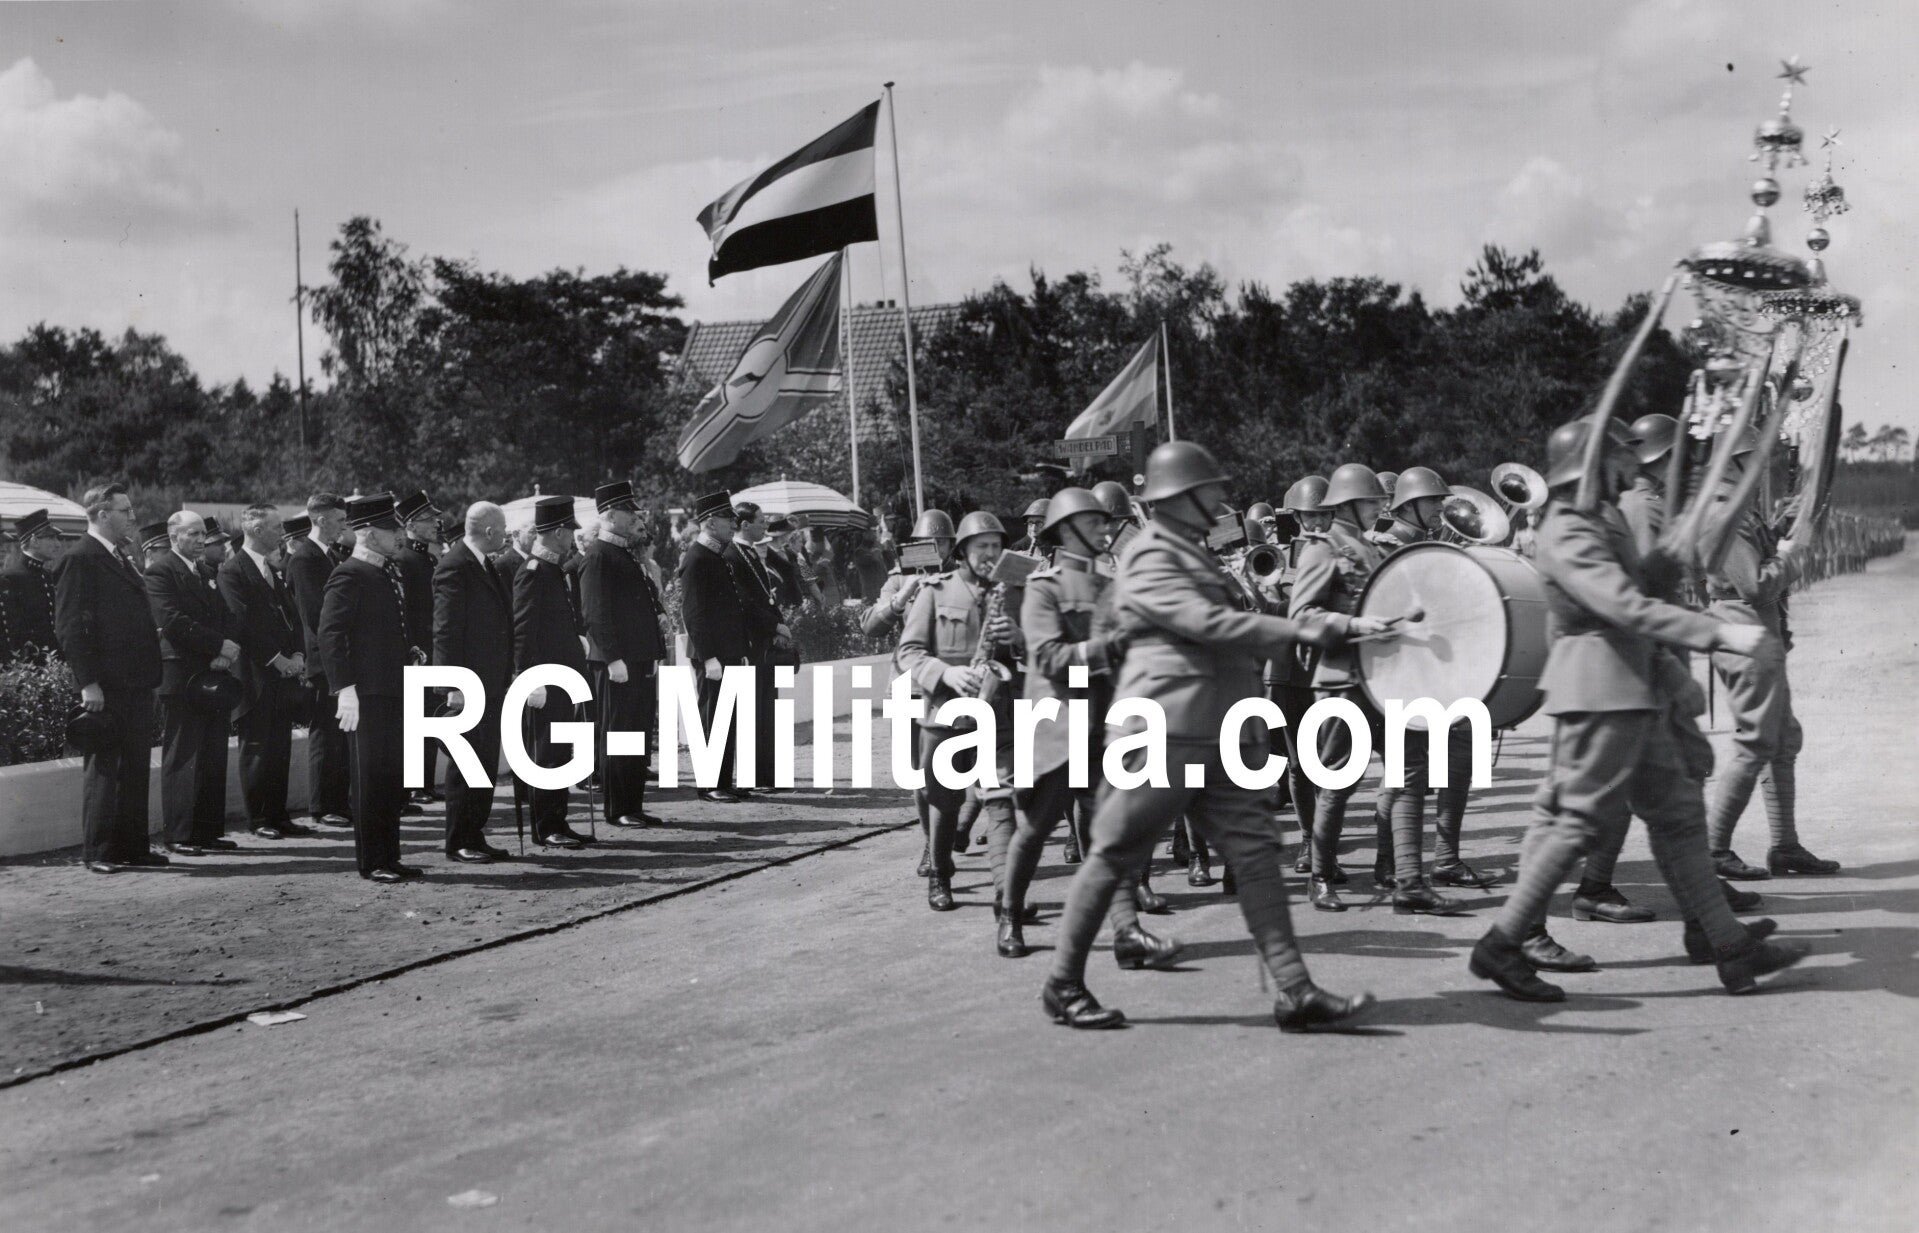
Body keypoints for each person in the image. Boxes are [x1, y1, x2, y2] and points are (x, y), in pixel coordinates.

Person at [1040, 442, 1389, 1031]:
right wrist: (1307, 629)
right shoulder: (1150, 555)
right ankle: (1063, 983)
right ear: (1180, 498)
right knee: (1114, 854)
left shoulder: (1194, 555)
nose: (1221, 501)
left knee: (1255, 857)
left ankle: (1295, 992)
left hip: (1215, 734)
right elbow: (1205, 623)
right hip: (1161, 732)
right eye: (1209, 491)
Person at [1468, 419, 1805, 1001]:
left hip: (1632, 689)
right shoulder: (1565, 528)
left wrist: (1674, 564)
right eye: (1620, 458)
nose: (1631, 467)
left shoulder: (1600, 519)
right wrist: (1717, 634)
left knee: (1678, 816)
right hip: (1597, 692)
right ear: (1593, 465)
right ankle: (1501, 945)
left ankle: (1729, 947)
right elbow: (1621, 606)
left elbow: (1641, 588)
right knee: (1576, 822)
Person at [1000, 487, 1172, 961]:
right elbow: (1048, 657)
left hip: (1103, 726)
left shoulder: (1108, 586)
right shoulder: (1043, 587)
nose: (1105, 530)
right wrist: (1108, 648)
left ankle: (1126, 932)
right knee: (1035, 830)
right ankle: (1010, 913)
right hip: (1058, 727)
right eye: (1095, 522)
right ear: (1069, 529)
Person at [1293, 463, 1457, 914]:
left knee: (1408, 773)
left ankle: (1409, 880)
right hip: (1343, 679)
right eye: (1371, 502)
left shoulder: (1374, 548)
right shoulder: (1322, 549)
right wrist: (1355, 624)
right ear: (1347, 504)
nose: (1379, 508)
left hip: (1388, 679)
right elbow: (1301, 616)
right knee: (1338, 780)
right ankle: (1320, 877)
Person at [1704, 430, 1840, 880]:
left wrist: (1781, 532)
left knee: (1780, 738)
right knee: (1757, 742)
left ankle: (1785, 845)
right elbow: (1754, 584)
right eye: (1755, 460)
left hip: (1757, 631)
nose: (1763, 467)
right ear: (1735, 463)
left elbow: (1757, 560)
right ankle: (1714, 848)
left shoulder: (1736, 507)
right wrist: (1793, 555)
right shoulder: (1724, 510)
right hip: (1745, 631)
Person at [896, 510, 1026, 913]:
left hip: (1000, 713)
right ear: (963, 551)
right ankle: (940, 874)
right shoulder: (936, 591)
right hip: (946, 712)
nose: (990, 554)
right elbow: (908, 652)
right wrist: (946, 673)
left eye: (996, 546)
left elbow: (1040, 647)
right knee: (945, 800)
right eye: (981, 546)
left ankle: (1007, 894)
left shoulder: (1014, 592)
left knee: (1002, 800)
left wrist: (1019, 638)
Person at [55, 484, 167, 873]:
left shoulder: (118, 556)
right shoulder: (80, 558)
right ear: (103, 514)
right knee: (104, 768)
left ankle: (133, 847)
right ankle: (99, 850)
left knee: (135, 767)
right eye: (125, 510)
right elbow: (70, 628)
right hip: (106, 684)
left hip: (135, 681)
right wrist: (88, 683)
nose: (132, 517)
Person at [318, 494, 423, 884]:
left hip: (391, 688)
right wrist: (344, 688)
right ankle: (373, 860)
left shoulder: (383, 572)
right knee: (370, 779)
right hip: (367, 694)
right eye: (390, 529)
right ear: (368, 533)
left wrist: (409, 651)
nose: (399, 535)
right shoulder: (349, 573)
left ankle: (390, 856)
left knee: (390, 778)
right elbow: (331, 635)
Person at [862, 508, 957, 874]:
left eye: (940, 542)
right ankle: (932, 846)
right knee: (916, 772)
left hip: (948, 684)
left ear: (950, 546)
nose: (934, 548)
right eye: (925, 543)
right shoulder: (899, 578)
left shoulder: (960, 577)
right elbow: (870, 625)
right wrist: (902, 596)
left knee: (953, 770)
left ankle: (954, 830)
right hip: (906, 683)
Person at [147, 510, 242, 856]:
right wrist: (217, 646)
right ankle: (179, 833)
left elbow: (227, 616)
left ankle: (207, 830)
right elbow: (173, 621)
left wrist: (226, 651)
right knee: (183, 754)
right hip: (182, 675)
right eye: (193, 534)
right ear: (174, 537)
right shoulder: (161, 572)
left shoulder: (205, 572)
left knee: (213, 752)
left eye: (203, 534)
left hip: (213, 672)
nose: (202, 540)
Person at [432, 500, 515, 861]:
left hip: (490, 682)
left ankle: (474, 833)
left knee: (484, 761)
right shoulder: (455, 566)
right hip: (468, 684)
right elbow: (445, 630)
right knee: (466, 762)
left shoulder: (482, 563)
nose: (507, 535)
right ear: (490, 531)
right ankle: (459, 839)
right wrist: (452, 685)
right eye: (504, 529)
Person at [583, 481, 669, 825]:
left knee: (636, 734)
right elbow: (596, 613)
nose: (636, 517)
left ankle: (632, 805)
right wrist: (613, 657)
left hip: (637, 660)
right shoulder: (599, 555)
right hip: (618, 663)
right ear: (609, 514)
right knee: (619, 734)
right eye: (628, 511)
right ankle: (618, 808)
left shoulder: (623, 553)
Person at [219, 503, 307, 842]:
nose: (281, 533)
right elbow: (242, 623)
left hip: (281, 675)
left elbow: (292, 616)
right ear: (256, 530)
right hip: (256, 676)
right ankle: (259, 818)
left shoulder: (271, 569)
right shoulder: (233, 571)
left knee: (279, 747)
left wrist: (297, 652)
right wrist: (277, 659)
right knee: (257, 748)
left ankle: (278, 814)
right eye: (276, 527)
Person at [515, 496, 596, 851]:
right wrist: (529, 677)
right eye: (569, 533)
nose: (572, 540)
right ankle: (546, 826)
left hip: (563, 677)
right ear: (559, 532)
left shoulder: (553, 570)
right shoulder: (534, 571)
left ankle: (558, 820)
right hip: (546, 681)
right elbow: (523, 631)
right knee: (547, 754)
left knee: (561, 752)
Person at [678, 490, 751, 803]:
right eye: (727, 518)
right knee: (712, 718)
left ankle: (722, 780)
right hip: (712, 656)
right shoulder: (697, 558)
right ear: (709, 522)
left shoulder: (715, 556)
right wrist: (708, 657)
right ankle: (709, 784)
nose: (734, 524)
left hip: (726, 652)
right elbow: (693, 615)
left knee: (726, 718)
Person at [286, 493, 353, 829]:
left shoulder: (329, 555)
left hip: (337, 655)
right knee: (325, 733)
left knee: (339, 734)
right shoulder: (304, 559)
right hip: (323, 658)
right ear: (322, 520)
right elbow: (315, 615)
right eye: (339, 520)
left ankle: (338, 801)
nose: (344, 525)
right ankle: (323, 804)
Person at [723, 502, 790, 791]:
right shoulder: (731, 554)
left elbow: (767, 597)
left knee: (767, 709)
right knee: (754, 711)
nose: (766, 525)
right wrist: (774, 625)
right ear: (745, 524)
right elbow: (745, 601)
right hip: (751, 642)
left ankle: (767, 774)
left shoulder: (750, 551)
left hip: (764, 640)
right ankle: (754, 775)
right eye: (761, 521)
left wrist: (779, 625)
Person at [395, 490, 444, 806]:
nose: (435, 524)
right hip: (417, 652)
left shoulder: (428, 559)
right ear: (411, 525)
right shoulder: (403, 560)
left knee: (428, 716)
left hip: (431, 649)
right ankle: (413, 785)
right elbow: (406, 613)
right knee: (416, 719)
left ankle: (424, 782)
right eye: (428, 520)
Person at [1, 508, 63, 663]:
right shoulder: (10, 578)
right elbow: (12, 634)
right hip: (28, 667)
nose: (58, 545)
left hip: (52, 663)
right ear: (34, 541)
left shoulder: (46, 575)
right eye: (51, 538)